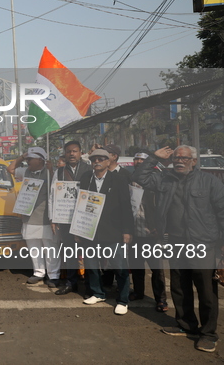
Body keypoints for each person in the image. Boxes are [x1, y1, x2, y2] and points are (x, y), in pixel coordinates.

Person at [133, 145, 224, 353]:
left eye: (184, 158)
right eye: (176, 158)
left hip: (202, 243)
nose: (179, 161)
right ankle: (186, 325)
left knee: (206, 291)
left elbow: (222, 211)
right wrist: (154, 157)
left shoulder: (210, 182)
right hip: (175, 242)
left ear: (194, 161)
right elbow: (140, 176)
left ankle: (209, 333)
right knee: (179, 286)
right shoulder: (164, 179)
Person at [79, 148, 134, 315]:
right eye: (94, 159)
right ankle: (98, 293)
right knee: (91, 264)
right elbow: (80, 203)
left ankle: (123, 300)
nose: (97, 162)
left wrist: (127, 230)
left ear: (109, 161)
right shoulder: (86, 178)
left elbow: (126, 206)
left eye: (101, 159)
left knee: (119, 266)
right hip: (90, 230)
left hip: (113, 231)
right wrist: (78, 228)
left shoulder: (118, 179)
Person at [8, 147, 60, 288]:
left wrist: (50, 170)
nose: (28, 161)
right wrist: (22, 157)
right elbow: (10, 170)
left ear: (41, 160)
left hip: (46, 218)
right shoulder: (26, 172)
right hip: (29, 217)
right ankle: (38, 272)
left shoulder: (50, 173)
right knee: (34, 247)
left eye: (31, 158)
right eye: (28, 159)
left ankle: (53, 275)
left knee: (50, 247)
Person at [49, 141, 92, 295]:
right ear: (65, 154)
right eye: (68, 151)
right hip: (66, 218)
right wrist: (53, 218)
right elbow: (53, 196)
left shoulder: (89, 169)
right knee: (70, 252)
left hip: (85, 219)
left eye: (74, 151)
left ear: (81, 152)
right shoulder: (59, 172)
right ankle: (71, 283)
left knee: (88, 253)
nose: (72, 154)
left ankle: (89, 286)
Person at [128, 151, 168, 312]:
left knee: (157, 268)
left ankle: (161, 299)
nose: (138, 162)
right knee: (137, 266)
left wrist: (160, 227)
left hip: (152, 231)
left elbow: (163, 207)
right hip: (134, 230)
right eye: (136, 159)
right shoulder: (129, 179)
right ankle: (138, 292)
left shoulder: (158, 179)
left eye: (142, 160)